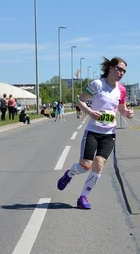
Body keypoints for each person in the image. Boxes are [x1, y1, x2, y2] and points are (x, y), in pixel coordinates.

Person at [57, 56, 134, 210]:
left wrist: (127, 113)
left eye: (124, 71)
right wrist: (90, 112)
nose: (121, 73)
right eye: (119, 69)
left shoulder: (122, 89)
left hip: (109, 133)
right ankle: (70, 174)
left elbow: (121, 109)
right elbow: (80, 100)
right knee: (86, 165)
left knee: (99, 164)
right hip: (92, 131)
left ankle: (83, 197)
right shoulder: (97, 84)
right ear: (111, 68)